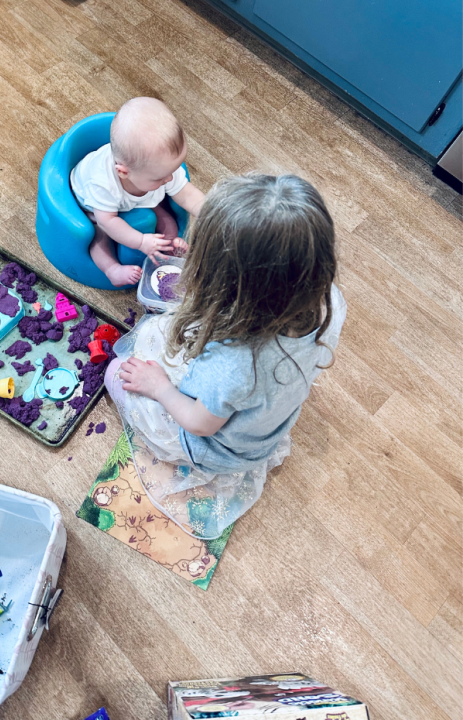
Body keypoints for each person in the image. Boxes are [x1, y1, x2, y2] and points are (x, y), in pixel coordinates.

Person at [104, 173, 347, 539]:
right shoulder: (330, 300)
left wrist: (159, 389)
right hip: (263, 412)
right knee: (162, 336)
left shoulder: (235, 363)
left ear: (231, 288)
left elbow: (201, 425)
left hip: (215, 446)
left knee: (117, 371)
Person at [71, 97, 205, 287]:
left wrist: (213, 213)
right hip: (96, 209)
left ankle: (169, 249)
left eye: (171, 172)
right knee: (98, 236)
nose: (169, 179)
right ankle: (111, 269)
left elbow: (188, 194)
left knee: (168, 222)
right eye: (160, 177)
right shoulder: (102, 185)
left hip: (138, 195)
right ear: (123, 173)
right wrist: (141, 241)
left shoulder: (155, 171)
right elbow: (107, 221)